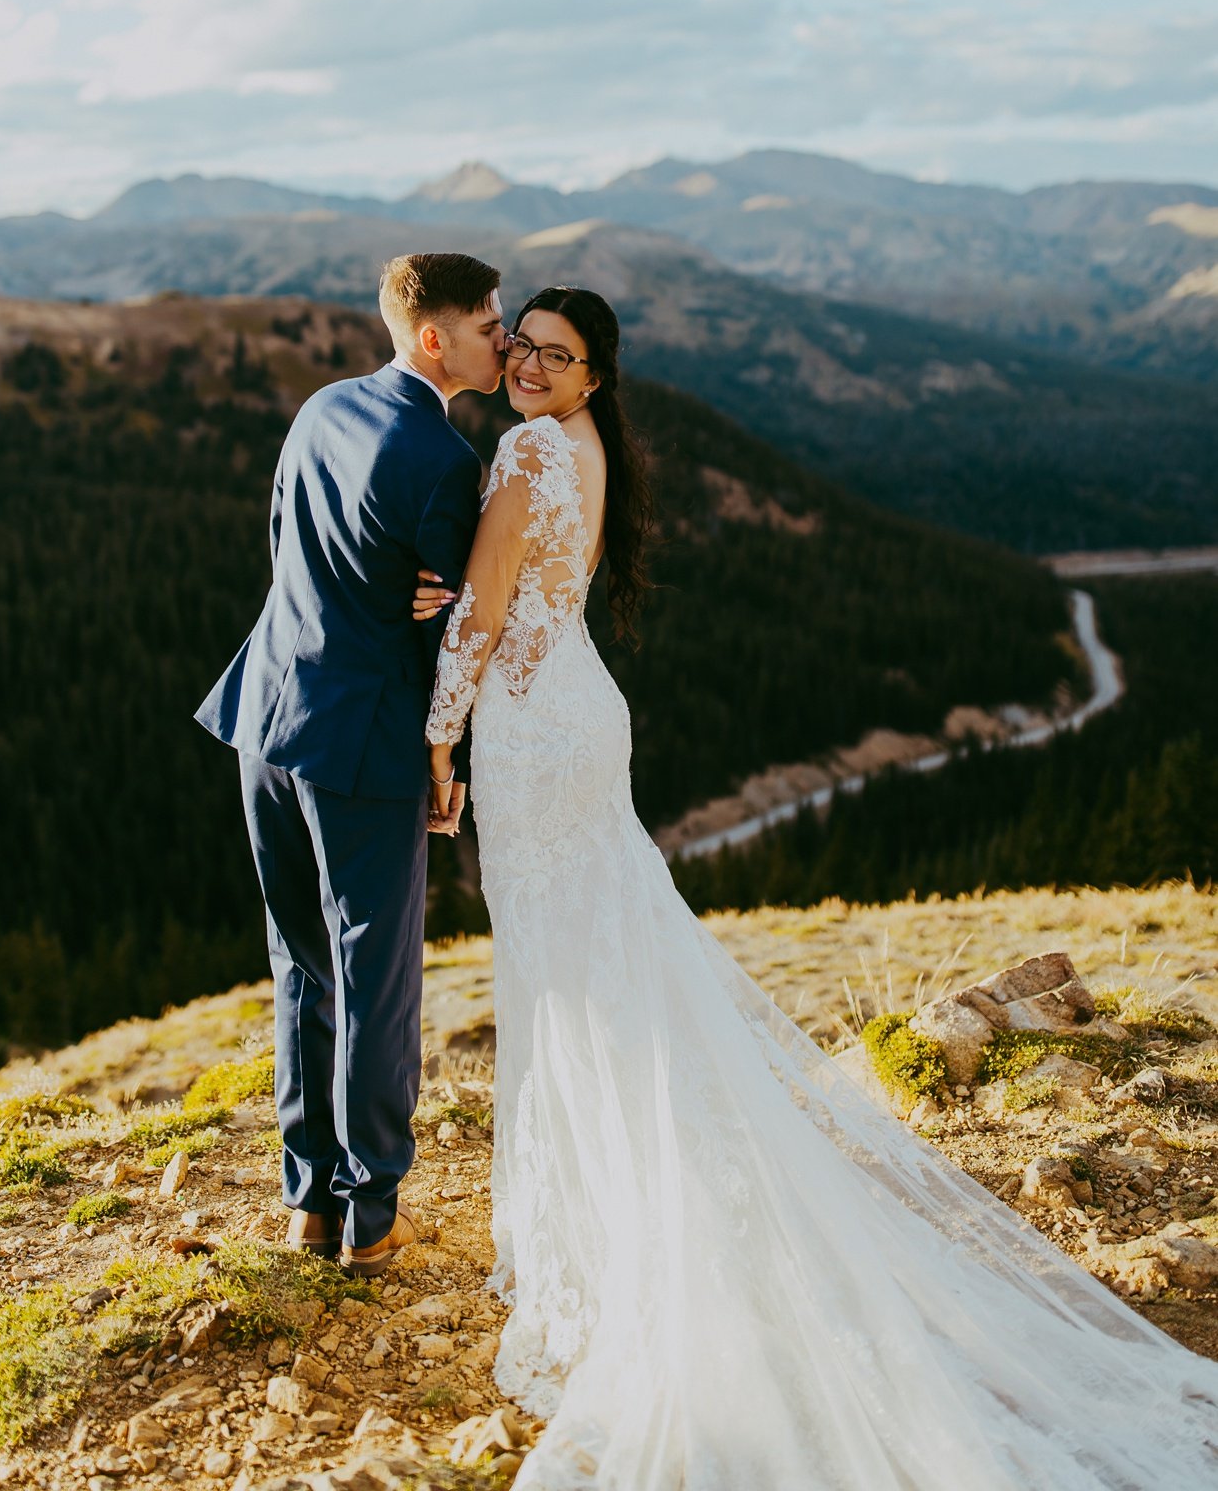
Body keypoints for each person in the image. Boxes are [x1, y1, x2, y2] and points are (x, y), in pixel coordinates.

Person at [419, 283, 1218, 1488]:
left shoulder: (530, 441)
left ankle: (601, 1230)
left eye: (557, 354)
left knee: (565, 975)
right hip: (579, 713)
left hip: (533, 733)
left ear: (593, 377)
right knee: (604, 962)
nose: (529, 363)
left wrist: (438, 729)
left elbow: (486, 608)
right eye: (522, 342)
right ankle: (621, 1206)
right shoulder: (583, 449)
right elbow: (522, 581)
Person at [195, 252, 505, 1276]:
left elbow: (286, 541)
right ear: (435, 338)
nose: (501, 336)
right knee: (378, 971)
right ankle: (372, 1208)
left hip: (268, 714)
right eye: (487, 320)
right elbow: (442, 635)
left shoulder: (321, 408)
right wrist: (444, 751)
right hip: (365, 740)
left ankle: (308, 1201)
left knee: (300, 962)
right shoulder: (444, 459)